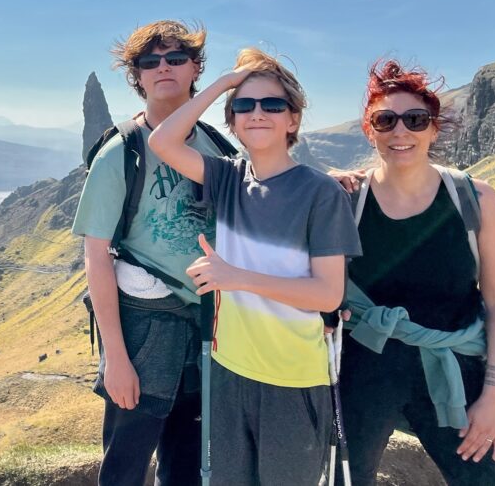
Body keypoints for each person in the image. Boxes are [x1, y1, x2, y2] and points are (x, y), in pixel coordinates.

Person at [148, 47, 361, 486]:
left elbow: (327, 293)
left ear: (293, 120)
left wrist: (236, 278)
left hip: (293, 379)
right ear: (232, 121)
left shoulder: (320, 193)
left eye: (273, 105)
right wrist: (224, 83)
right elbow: (162, 141)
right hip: (228, 371)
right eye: (244, 106)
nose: (257, 113)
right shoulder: (227, 177)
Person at [333, 60, 495, 485]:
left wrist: (494, 398)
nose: (400, 131)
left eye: (416, 120)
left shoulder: (474, 198)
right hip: (362, 374)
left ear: (434, 129)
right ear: (370, 130)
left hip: (454, 369)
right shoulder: (347, 200)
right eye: (385, 120)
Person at [72, 20, 237, 486]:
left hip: (206, 324)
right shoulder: (122, 151)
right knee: (124, 467)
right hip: (144, 329)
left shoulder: (218, 146)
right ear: (138, 77)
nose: (163, 67)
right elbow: (96, 256)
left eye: (176, 58)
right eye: (150, 61)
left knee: (187, 466)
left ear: (196, 68)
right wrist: (116, 359)